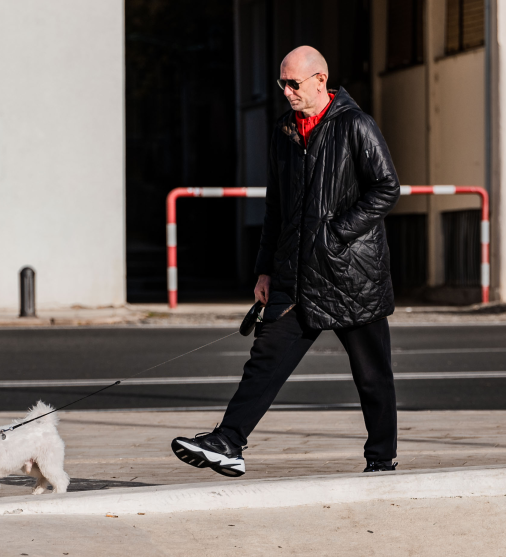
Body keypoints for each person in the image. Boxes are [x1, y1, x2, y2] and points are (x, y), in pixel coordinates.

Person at [171, 45, 401, 477]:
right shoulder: (284, 132)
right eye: (282, 84)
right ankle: (228, 442)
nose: (287, 92)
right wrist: (264, 267)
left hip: (353, 275)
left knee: (372, 375)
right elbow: (275, 207)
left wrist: (335, 234)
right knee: (265, 358)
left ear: (320, 80)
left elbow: (386, 188)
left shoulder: (356, 125)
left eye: (294, 84)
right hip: (295, 275)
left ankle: (381, 459)